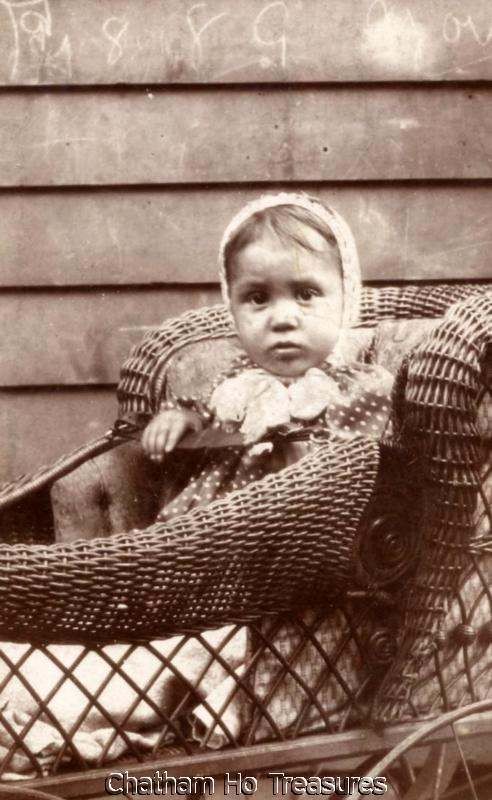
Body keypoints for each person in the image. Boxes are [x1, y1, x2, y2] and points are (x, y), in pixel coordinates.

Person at [141, 192, 394, 521]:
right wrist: (180, 420)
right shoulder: (235, 385)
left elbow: (373, 460)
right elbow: (203, 414)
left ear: (344, 300)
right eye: (258, 298)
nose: (283, 319)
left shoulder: (354, 388)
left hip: (322, 523)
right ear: (232, 307)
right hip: (231, 523)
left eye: (306, 294)